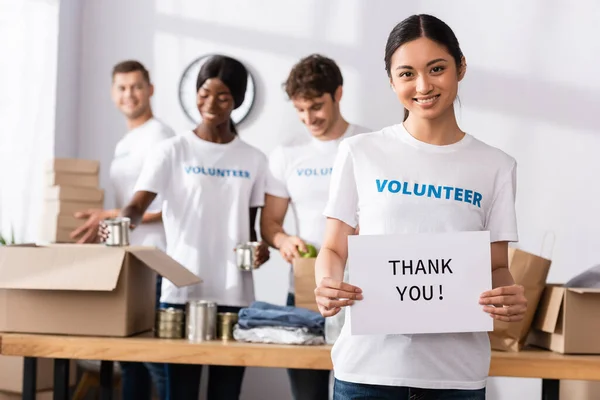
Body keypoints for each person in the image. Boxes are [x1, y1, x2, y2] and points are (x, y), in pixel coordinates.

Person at [313, 14, 527, 400]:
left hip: (456, 378)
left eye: (437, 69)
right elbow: (333, 248)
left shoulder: (496, 165)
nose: (424, 86)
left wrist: (507, 295)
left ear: (460, 68)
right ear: (392, 81)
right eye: (407, 73)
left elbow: (495, 266)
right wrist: (326, 284)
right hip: (367, 371)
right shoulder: (360, 152)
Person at [102, 54, 270, 400]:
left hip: (234, 295)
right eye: (204, 94)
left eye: (223, 97)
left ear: (236, 101)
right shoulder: (172, 151)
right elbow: (137, 205)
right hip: (181, 292)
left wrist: (260, 251)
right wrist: (121, 221)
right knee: (179, 393)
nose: (211, 104)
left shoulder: (254, 159)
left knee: (226, 394)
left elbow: (251, 233)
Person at [260, 54, 370, 400]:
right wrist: (282, 240)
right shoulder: (287, 155)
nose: (310, 118)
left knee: (358, 390)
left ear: (338, 94)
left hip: (362, 291)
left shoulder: (369, 145)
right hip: (305, 290)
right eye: (301, 110)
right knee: (306, 394)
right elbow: (269, 223)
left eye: (317, 106)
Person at [71, 60, 174, 400]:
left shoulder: (160, 137)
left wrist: (108, 216)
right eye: (122, 87)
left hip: (154, 262)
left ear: (151, 89)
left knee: (155, 358)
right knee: (129, 359)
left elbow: (165, 208)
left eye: (136, 86)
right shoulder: (127, 141)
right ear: (113, 93)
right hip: (128, 259)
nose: (129, 94)